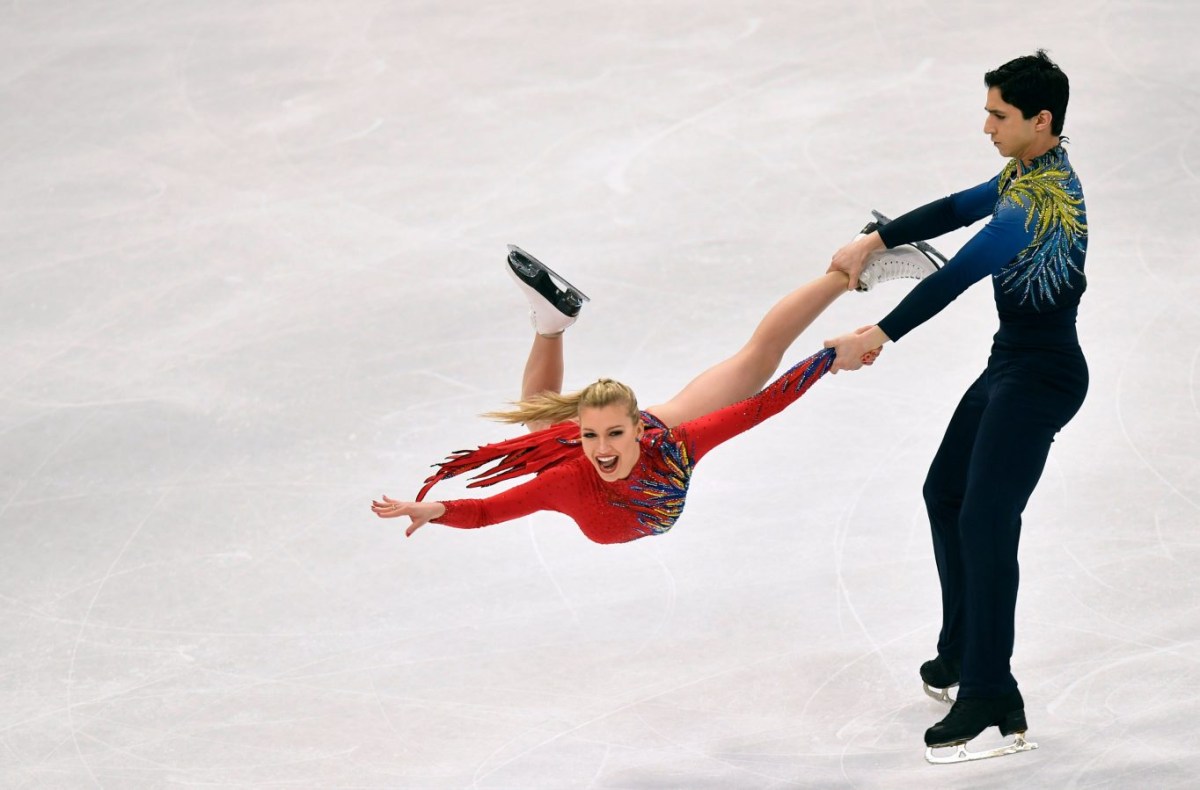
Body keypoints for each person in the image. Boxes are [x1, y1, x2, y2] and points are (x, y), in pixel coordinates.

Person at [823, 51, 1087, 763]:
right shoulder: (1022, 172)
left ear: (1042, 120)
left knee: (987, 515)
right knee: (946, 493)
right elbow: (951, 209)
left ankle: (991, 692)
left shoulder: (1040, 201)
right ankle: (965, 652)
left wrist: (876, 335)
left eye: (999, 115)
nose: (986, 127)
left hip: (1044, 377)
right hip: (1012, 365)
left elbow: (961, 272)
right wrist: (875, 239)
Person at [372, 242, 939, 544]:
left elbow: (765, 403)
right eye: (591, 435)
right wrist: (435, 509)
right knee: (544, 436)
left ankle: (856, 265)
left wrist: (828, 358)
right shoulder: (572, 472)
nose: (601, 448)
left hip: (663, 432)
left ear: (640, 427)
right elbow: (489, 511)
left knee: (757, 361)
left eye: (614, 432)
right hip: (607, 454)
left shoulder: (675, 442)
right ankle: (549, 323)